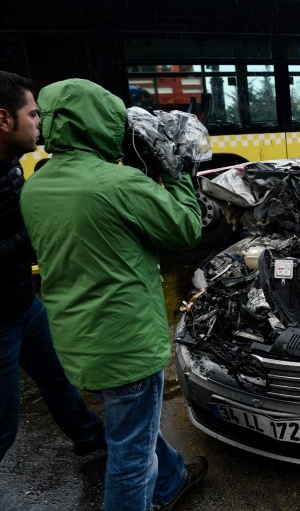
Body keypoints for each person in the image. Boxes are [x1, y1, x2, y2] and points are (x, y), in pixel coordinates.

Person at [19, 78, 207, 511]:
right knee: (131, 457)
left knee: (130, 425)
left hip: (77, 340)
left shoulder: (37, 184)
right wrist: (178, 174)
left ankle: (173, 478)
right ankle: (154, 486)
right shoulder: (118, 184)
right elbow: (184, 229)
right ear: (100, 121)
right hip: (126, 343)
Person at [0, 70, 107, 463]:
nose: (39, 124)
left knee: (58, 377)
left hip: (23, 304)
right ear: (4, 119)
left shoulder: (12, 162)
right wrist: (35, 222)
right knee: (3, 423)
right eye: (33, 115)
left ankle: (88, 435)